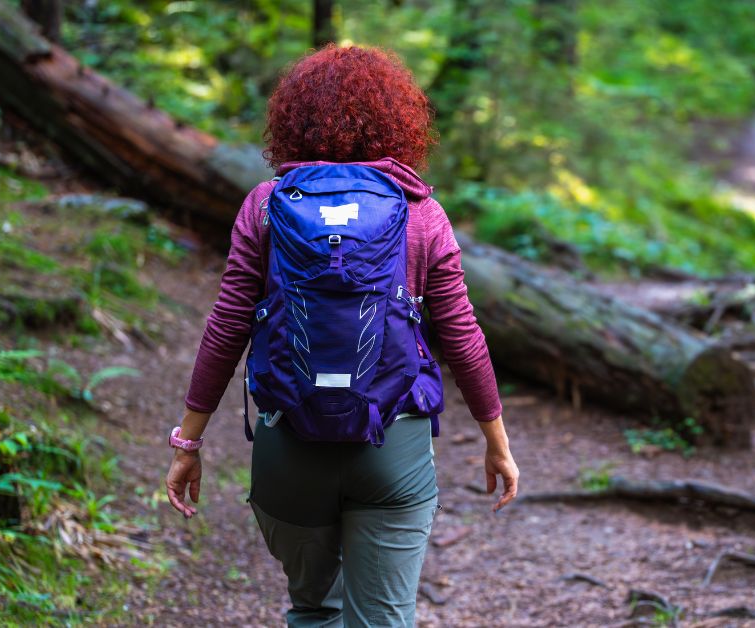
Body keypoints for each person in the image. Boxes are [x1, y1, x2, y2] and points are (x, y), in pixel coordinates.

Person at [163, 44, 520, 627]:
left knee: (313, 610)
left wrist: (188, 444)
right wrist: (496, 442)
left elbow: (227, 326)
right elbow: (461, 335)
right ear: (398, 121)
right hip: (393, 446)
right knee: (382, 619)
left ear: (292, 122)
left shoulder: (266, 206)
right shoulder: (420, 213)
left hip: (289, 447)